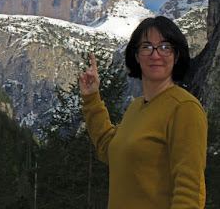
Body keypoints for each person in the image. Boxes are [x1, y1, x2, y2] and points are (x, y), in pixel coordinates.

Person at [79, 16, 207, 209]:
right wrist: (91, 99)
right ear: (137, 56)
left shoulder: (184, 108)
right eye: (146, 47)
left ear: (176, 55)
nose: (155, 55)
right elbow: (109, 148)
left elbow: (190, 191)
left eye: (165, 47)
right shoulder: (136, 108)